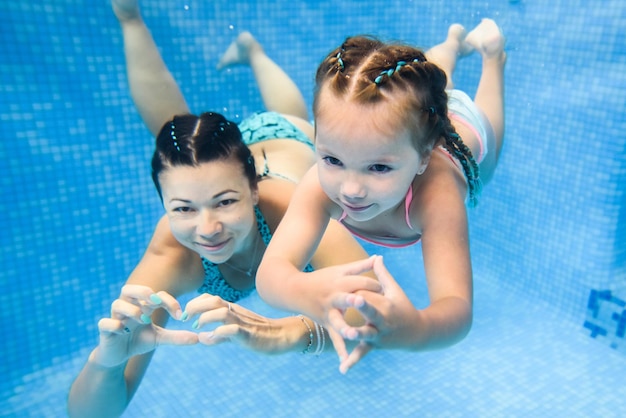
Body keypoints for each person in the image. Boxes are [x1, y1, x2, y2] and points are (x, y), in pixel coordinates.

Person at [67, 1, 380, 416]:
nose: (208, 228)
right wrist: (103, 364)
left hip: (287, 142)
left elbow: (376, 309)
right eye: (182, 209)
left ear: (253, 191)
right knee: (176, 141)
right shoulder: (172, 258)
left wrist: (285, 332)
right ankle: (132, 18)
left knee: (290, 115)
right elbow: (90, 414)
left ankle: (254, 52)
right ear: (163, 205)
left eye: (226, 203)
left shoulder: (291, 207)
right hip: (222, 163)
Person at [257, 19, 506, 373]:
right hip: (410, 118)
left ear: (423, 158)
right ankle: (451, 44)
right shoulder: (318, 185)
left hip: (467, 132)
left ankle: (493, 56)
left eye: (378, 168)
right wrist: (304, 289)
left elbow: (457, 308)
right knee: (427, 87)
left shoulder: (437, 197)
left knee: (488, 132)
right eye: (332, 159)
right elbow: (270, 274)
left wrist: (417, 329)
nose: (351, 189)